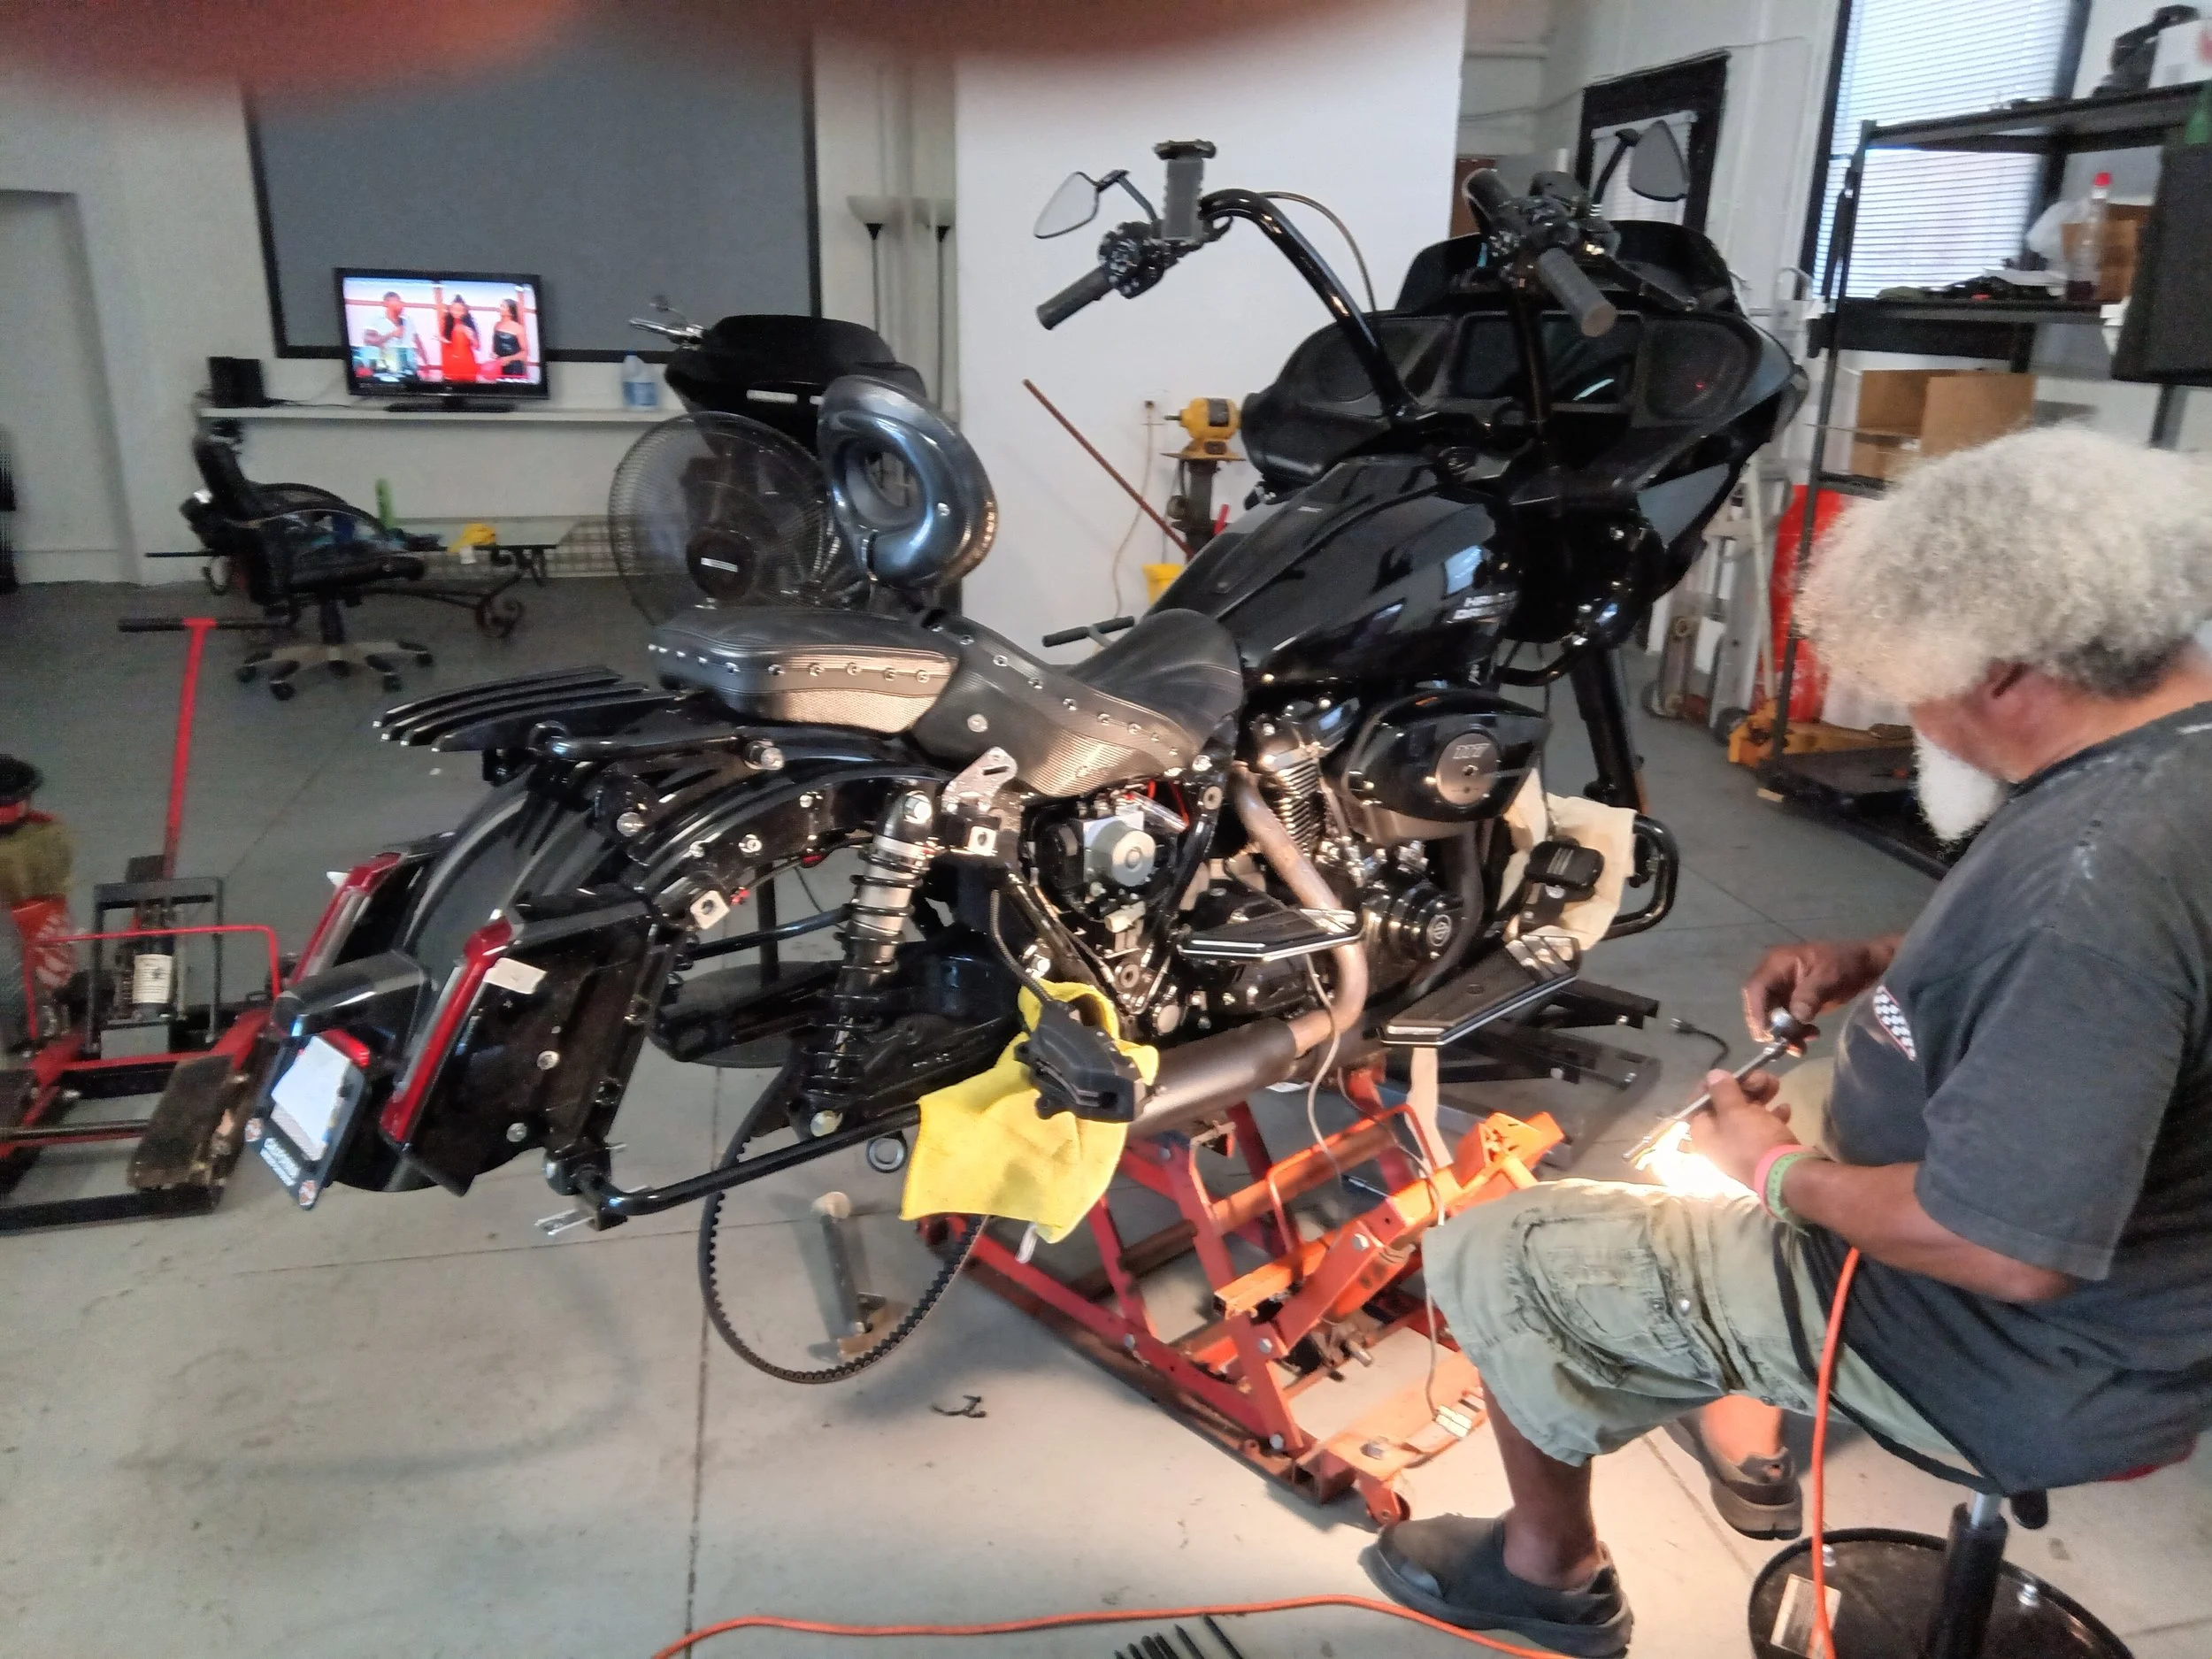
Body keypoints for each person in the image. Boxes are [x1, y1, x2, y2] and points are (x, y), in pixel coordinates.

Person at [1371, 426, 2212, 1657]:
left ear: (2004, 671)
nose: (1907, 708)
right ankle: (1748, 1423)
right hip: (2141, 1277)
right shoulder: (2161, 770)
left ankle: (1548, 1570)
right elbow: (2115, 984)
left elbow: (2002, 1244)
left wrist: (1771, 1171)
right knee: (1786, 1116)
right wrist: (1886, 961)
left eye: (1912, 678)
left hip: (2028, 1349)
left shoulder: (2091, 886)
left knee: (1496, 1247)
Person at [361, 289, 420, 379]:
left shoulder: (408, 320)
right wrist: (391, 334)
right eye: (395, 301)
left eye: (399, 301)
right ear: (386, 303)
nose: (399, 304)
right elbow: (368, 340)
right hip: (383, 367)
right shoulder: (376, 319)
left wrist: (425, 363)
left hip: (408, 367)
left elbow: (418, 342)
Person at [439, 296, 481, 383]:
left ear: (464, 311)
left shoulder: (469, 325)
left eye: (459, 310)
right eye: (453, 309)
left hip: (467, 363)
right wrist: (442, 339)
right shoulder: (446, 323)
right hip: (450, 363)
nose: (456, 312)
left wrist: (472, 337)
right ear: (450, 309)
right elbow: (448, 342)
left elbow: (477, 347)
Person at [489, 296, 529, 379]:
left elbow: (525, 353)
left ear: (510, 312)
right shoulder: (497, 325)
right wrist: (493, 353)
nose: (499, 308)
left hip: (514, 369)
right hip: (499, 367)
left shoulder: (518, 328)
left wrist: (509, 359)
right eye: (500, 306)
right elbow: (494, 345)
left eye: (502, 306)